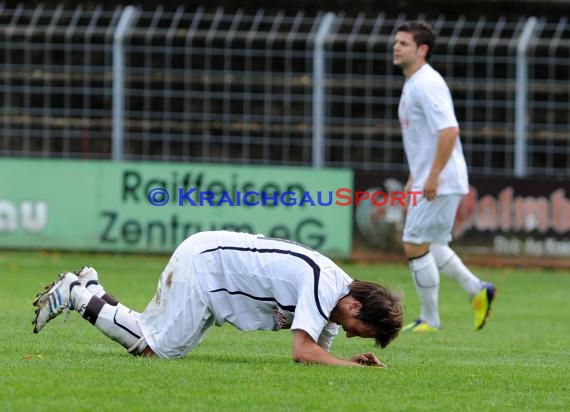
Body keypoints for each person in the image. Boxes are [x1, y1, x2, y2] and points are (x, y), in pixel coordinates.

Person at [32, 230, 403, 367]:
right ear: (355, 307)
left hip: (210, 264)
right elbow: (302, 352)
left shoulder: (334, 295)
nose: (356, 336)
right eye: (362, 330)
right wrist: (350, 368)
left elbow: (316, 355)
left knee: (153, 337)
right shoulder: (327, 288)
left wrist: (343, 361)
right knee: (156, 350)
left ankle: (90, 288)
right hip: (206, 269)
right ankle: (77, 296)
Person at [392, 21, 496, 332]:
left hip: (440, 180)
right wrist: (416, 175)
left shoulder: (426, 83)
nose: (396, 47)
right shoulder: (413, 83)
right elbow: (423, 138)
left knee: (413, 244)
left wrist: (433, 176)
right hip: (433, 178)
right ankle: (478, 289)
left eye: (404, 43)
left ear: (422, 50)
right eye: (396, 42)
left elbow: (449, 131)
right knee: (432, 243)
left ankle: (430, 319)